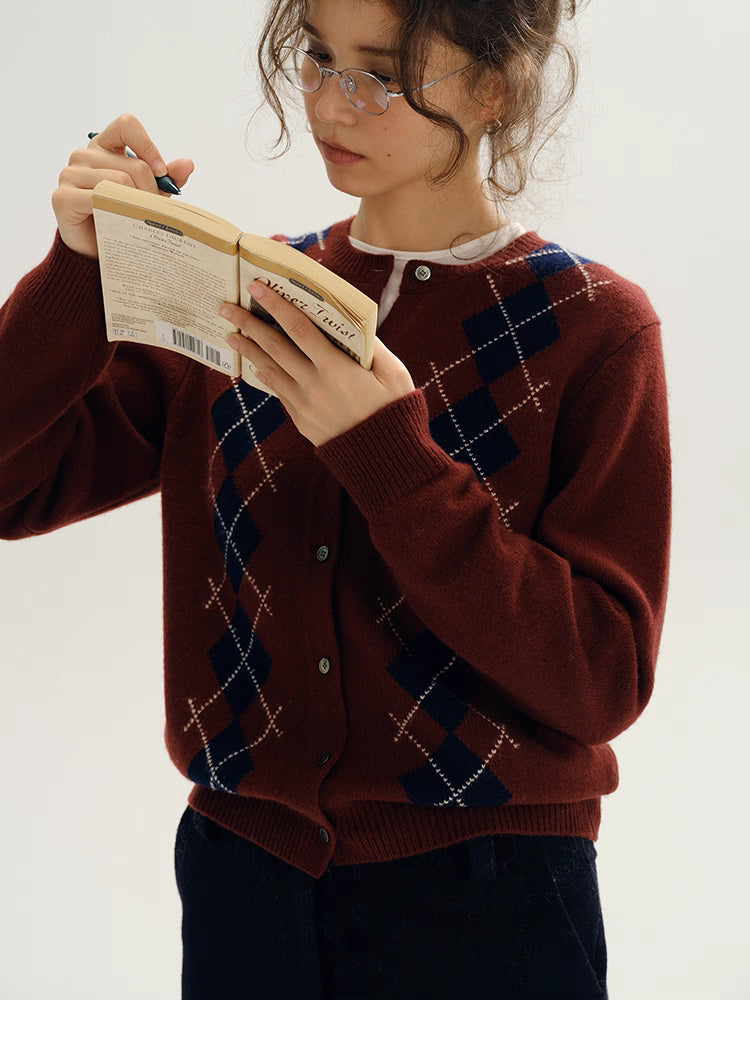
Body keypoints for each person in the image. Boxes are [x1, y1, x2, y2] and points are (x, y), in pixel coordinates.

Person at [0, 0, 670, 1000]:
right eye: (318, 56)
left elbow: (601, 679)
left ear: (495, 87)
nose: (330, 100)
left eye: (383, 72)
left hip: (489, 893)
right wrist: (78, 272)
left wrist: (388, 456)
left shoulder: (593, 329)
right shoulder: (244, 295)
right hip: (240, 876)